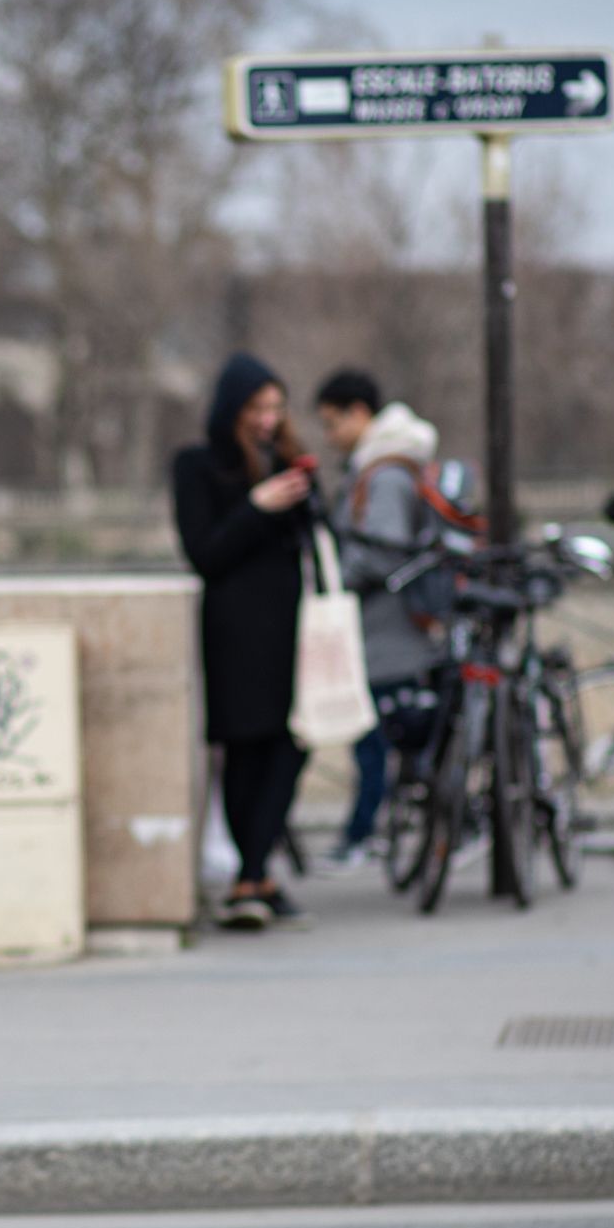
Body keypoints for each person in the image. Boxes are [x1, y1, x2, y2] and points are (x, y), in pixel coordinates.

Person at [175, 353, 316, 930]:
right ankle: (253, 877)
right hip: (235, 631)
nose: (268, 418)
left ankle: (253, 875)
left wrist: (304, 489)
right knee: (245, 746)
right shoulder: (197, 465)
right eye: (258, 407)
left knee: (293, 742)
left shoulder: (286, 459)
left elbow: (317, 540)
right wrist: (258, 507)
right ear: (233, 408)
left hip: (295, 626)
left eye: (277, 407)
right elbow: (204, 553)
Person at [312, 369, 443, 871]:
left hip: (387, 635)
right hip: (394, 631)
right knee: (394, 741)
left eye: (331, 422)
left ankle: (363, 834)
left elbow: (384, 553)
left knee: (374, 740)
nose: (329, 435)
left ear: (359, 413)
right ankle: (379, 829)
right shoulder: (388, 464)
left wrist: (335, 578)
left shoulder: (384, 473)